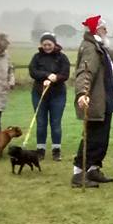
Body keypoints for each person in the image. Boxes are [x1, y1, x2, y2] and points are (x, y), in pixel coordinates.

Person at [71, 15, 113, 188]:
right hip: (95, 101)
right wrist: (82, 93)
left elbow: (111, 56)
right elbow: (85, 72)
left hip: (105, 100)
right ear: (97, 30)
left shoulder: (99, 47)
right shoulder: (90, 48)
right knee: (92, 138)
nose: (107, 32)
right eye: (104, 29)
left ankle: (93, 169)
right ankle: (78, 174)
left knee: (102, 139)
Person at [28, 32, 70, 161]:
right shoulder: (37, 57)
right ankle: (40, 149)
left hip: (57, 95)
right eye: (44, 44)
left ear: (54, 44)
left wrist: (56, 78)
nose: (47, 47)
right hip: (39, 94)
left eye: (49, 44)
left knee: (55, 123)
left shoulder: (62, 58)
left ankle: (56, 150)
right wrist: (47, 75)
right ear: (41, 45)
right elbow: (33, 71)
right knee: (41, 123)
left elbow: (65, 74)